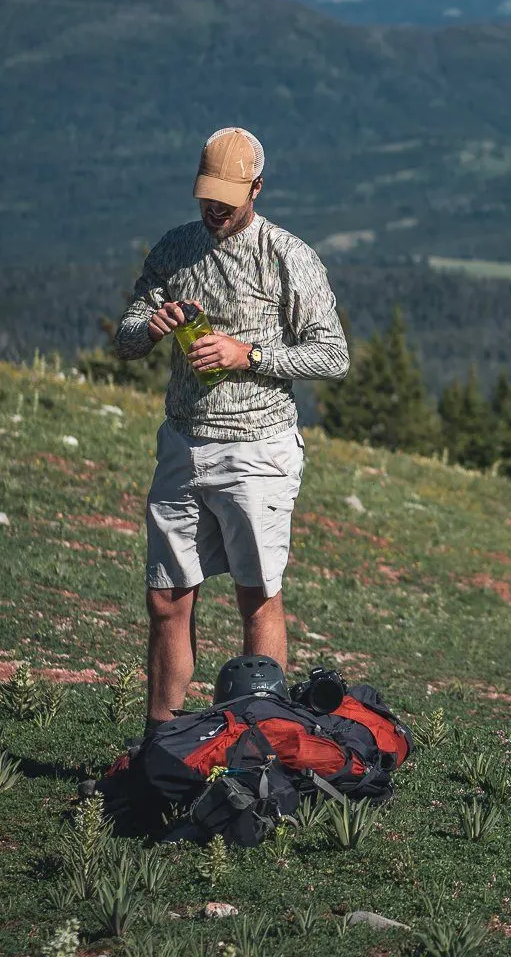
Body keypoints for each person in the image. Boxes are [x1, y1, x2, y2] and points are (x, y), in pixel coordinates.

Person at [113, 127, 349, 732]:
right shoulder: (175, 249)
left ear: (257, 189)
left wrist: (249, 355)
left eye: (227, 196)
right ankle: (162, 744)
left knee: (257, 596)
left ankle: (261, 746)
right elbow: (126, 339)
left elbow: (332, 355)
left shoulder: (287, 256)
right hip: (184, 441)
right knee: (166, 598)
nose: (214, 208)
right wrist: (153, 325)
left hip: (259, 449)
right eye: (206, 195)